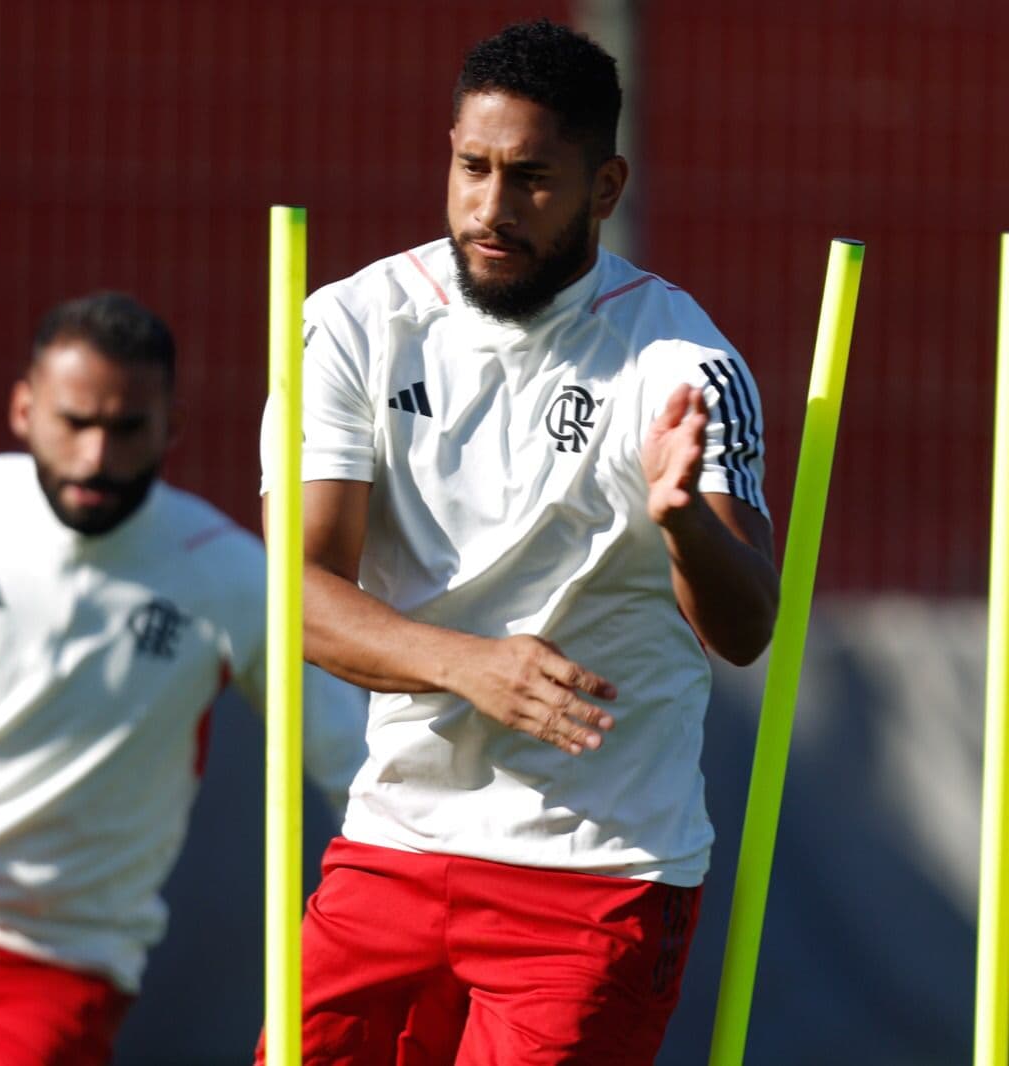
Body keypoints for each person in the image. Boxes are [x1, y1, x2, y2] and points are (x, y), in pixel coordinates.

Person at [258, 19, 780, 1065]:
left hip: (596, 873)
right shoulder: (352, 323)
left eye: (531, 179)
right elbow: (295, 590)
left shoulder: (680, 358)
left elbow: (745, 627)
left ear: (605, 186)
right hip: (392, 847)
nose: (489, 210)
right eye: (471, 167)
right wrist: (469, 666)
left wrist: (677, 518)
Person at [0, 291, 365, 1065]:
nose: (95, 459)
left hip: (63, 958)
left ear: (170, 430)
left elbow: (352, 762)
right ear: (23, 410)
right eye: (74, 423)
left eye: (125, 430)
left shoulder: (228, 575)